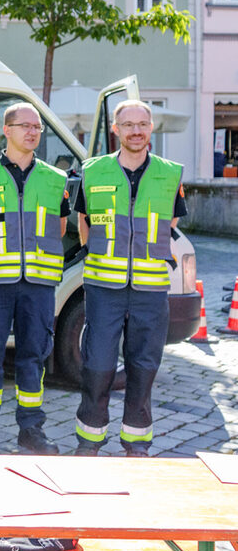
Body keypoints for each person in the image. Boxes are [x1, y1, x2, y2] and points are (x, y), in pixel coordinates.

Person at [0, 102, 69, 455]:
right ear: (7, 130)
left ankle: (31, 431)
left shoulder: (56, 179)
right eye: (25, 126)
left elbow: (60, 227)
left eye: (37, 127)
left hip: (38, 284)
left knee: (33, 358)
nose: (32, 132)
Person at [74, 100, 186, 457]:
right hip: (103, 288)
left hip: (150, 289)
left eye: (142, 124)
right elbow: (83, 223)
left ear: (151, 128)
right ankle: (89, 440)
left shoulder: (170, 174)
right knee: (97, 365)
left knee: (143, 366)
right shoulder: (93, 171)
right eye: (128, 125)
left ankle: (136, 443)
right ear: (116, 129)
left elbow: (171, 222)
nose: (135, 131)